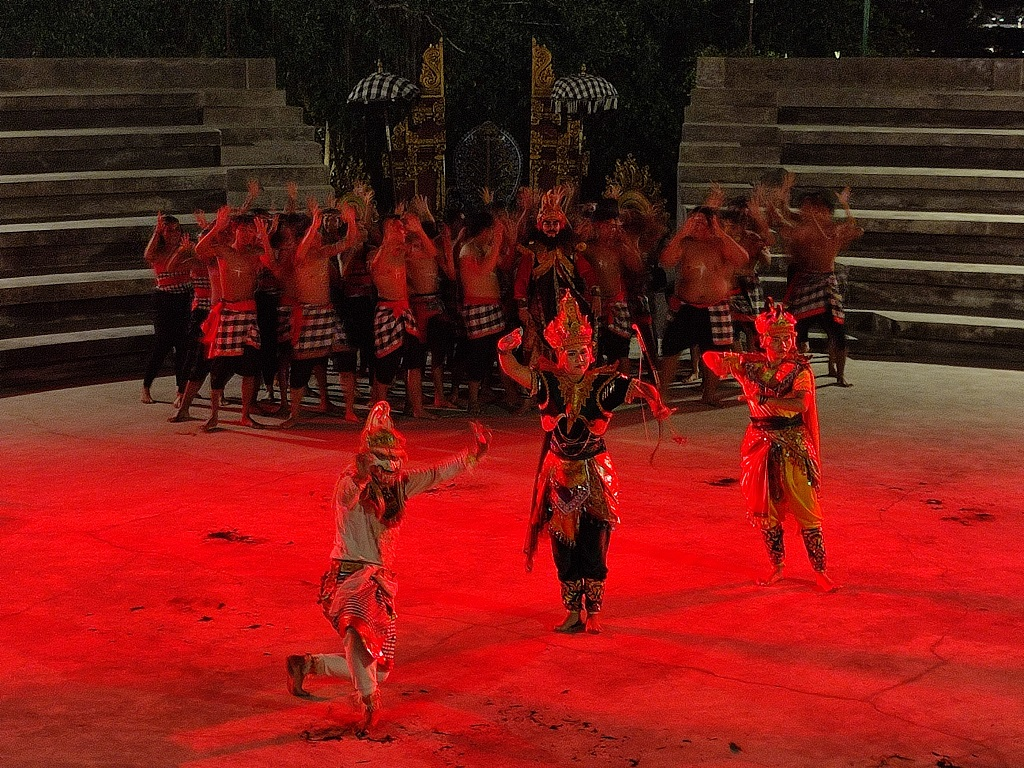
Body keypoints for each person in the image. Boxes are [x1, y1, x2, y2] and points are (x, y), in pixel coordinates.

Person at [285, 402, 490, 732]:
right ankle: (369, 705)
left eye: (396, 458)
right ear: (368, 457)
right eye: (384, 457)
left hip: (382, 581)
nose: (392, 464)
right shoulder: (349, 481)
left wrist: (474, 454)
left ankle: (308, 664)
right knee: (356, 630)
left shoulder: (401, 486)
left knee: (380, 670)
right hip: (351, 576)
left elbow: (438, 473)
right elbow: (345, 500)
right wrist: (363, 474)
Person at [498, 291, 672, 635]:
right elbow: (514, 369)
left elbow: (644, 388)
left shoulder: (605, 384)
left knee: (595, 541)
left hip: (594, 474)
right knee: (564, 546)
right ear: (559, 355)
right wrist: (504, 349)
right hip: (560, 474)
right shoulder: (547, 383)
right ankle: (573, 612)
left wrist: (657, 406)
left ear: (591, 353)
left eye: (583, 351)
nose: (579, 357)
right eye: (571, 352)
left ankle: (594, 611)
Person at [702, 299, 838, 593]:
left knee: (807, 508)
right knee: (766, 510)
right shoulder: (750, 368)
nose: (783, 342)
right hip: (759, 443)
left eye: (787, 337)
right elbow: (710, 358)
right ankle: (777, 566)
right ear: (763, 340)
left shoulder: (800, 371)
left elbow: (800, 404)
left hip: (792, 443)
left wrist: (764, 399)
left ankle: (821, 570)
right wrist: (749, 357)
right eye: (775, 338)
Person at [772, 175, 863, 386]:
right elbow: (782, 217)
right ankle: (795, 371)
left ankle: (839, 373)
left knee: (837, 331)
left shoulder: (834, 229)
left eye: (816, 209)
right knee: (796, 332)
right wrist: (784, 191)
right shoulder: (801, 228)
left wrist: (845, 206)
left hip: (826, 284)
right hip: (805, 283)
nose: (811, 212)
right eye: (809, 208)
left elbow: (854, 229)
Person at [658, 196, 749, 406]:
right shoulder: (684, 243)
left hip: (715, 308)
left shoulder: (721, 243)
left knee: (714, 353)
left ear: (712, 224)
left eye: (701, 221)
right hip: (686, 306)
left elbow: (742, 258)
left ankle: (709, 393)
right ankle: (661, 394)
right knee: (671, 349)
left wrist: (721, 234)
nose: (696, 224)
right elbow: (666, 260)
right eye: (693, 220)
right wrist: (682, 232)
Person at [194, 207, 271, 431]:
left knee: (250, 368)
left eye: (251, 231)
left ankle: (245, 415)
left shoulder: (255, 252)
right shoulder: (224, 251)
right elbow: (200, 249)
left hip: (248, 316)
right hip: (228, 314)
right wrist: (216, 227)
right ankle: (214, 415)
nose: (248, 235)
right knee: (219, 369)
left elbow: (272, 263)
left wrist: (264, 237)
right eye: (244, 230)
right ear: (236, 230)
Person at [457, 210, 507, 414]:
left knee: (501, 352)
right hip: (477, 308)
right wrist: (497, 243)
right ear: (485, 230)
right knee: (478, 354)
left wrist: (505, 240)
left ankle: (508, 394)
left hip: (493, 307)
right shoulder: (467, 249)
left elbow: (504, 263)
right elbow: (484, 269)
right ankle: (473, 399)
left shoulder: (484, 247)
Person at [141, 213, 192, 406]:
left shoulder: (185, 248)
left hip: (184, 297)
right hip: (164, 298)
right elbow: (147, 255)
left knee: (183, 346)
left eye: (177, 229)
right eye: (169, 230)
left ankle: (181, 391)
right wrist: (156, 232)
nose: (174, 233)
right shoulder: (158, 249)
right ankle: (146, 386)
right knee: (162, 343)